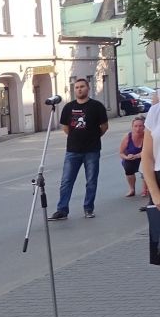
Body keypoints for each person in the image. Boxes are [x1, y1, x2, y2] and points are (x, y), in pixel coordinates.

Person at [49, 78, 108, 220]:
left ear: (88, 88)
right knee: (66, 181)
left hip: (92, 150)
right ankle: (62, 210)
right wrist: (76, 137)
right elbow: (65, 127)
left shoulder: (97, 106)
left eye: (82, 86)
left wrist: (94, 137)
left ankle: (88, 208)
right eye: (76, 87)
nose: (79, 89)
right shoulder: (68, 107)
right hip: (73, 150)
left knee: (91, 181)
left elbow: (104, 126)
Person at [119, 115, 146, 198]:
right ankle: (132, 189)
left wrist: (137, 155)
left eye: (140, 126)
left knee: (146, 164)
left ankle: (146, 189)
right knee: (128, 166)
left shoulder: (147, 136)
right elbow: (121, 153)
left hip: (144, 158)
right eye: (135, 126)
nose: (138, 129)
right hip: (131, 159)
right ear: (132, 127)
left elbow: (149, 151)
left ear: (144, 126)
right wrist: (127, 157)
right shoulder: (127, 137)